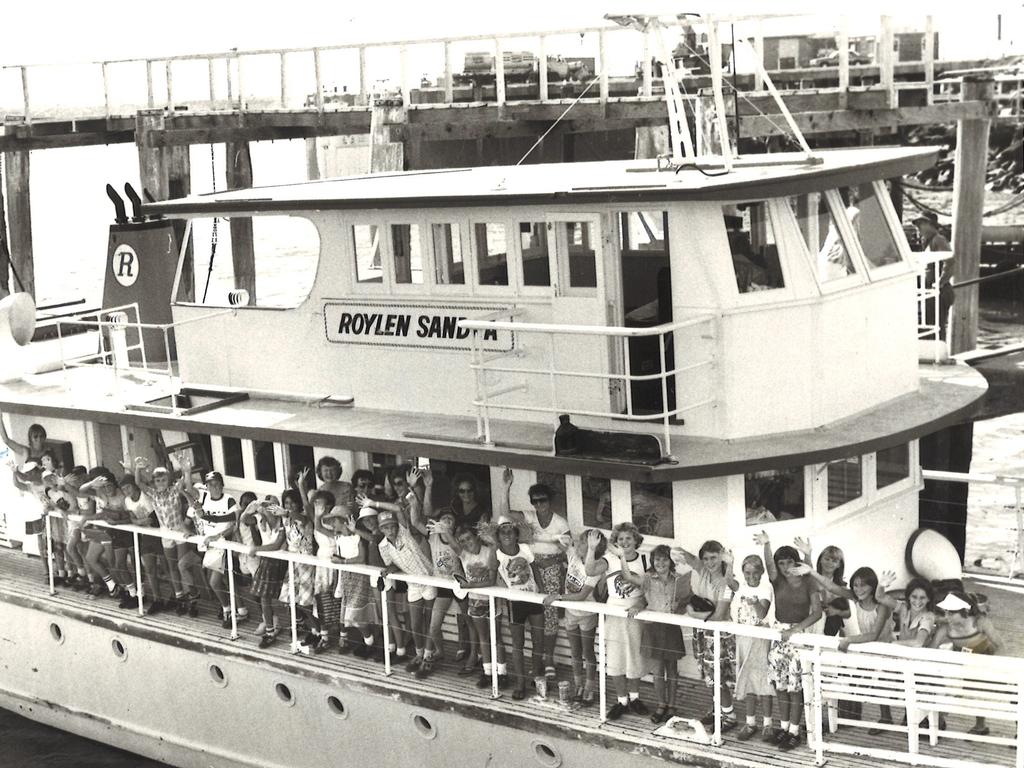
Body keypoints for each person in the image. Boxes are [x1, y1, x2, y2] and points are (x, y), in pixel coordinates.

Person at [804, 564, 892, 732]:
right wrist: (811, 571)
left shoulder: (881, 604)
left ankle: (889, 718)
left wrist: (848, 640)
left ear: (873, 585)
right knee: (867, 682)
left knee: (884, 684)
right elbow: (832, 587)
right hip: (868, 648)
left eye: (864, 585)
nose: (859, 589)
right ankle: (869, 717)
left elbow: (874, 634)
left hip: (885, 648)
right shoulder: (856, 598)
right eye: (856, 585)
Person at [756, 531, 822, 751]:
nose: (785, 567)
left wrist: (797, 629)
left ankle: (795, 730)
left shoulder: (808, 582)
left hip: (798, 635)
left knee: (796, 688)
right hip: (779, 636)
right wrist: (767, 544)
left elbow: (817, 612)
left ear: (797, 562)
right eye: (781, 563)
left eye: (789, 562)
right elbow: (768, 566)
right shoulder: (778, 581)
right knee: (781, 686)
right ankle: (783, 728)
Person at [511, 470, 570, 682]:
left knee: (550, 614)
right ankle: (536, 659)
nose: (539, 505)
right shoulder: (529, 518)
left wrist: (551, 561)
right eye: (535, 501)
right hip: (530, 570)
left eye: (542, 500)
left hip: (552, 569)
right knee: (533, 612)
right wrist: (507, 487)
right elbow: (505, 515)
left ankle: (549, 659)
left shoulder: (560, 522)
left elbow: (568, 549)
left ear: (550, 501)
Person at [674, 540, 737, 732]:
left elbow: (720, 615)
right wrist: (678, 552)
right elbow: (690, 558)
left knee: (719, 677)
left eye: (714, 558)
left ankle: (730, 715)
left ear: (722, 557)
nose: (710, 562)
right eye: (706, 558)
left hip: (719, 634)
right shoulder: (703, 572)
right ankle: (718, 709)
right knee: (709, 677)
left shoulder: (727, 581)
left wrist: (692, 613)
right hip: (702, 632)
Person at [588, 523, 647, 720]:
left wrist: (640, 604)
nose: (624, 542)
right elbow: (590, 570)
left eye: (628, 538)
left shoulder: (645, 560)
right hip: (614, 611)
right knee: (615, 658)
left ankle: (635, 698)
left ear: (635, 540)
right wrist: (591, 548)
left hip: (635, 613)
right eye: (620, 539)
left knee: (634, 656)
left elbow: (649, 590)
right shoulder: (610, 559)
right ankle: (622, 700)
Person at [629, 544, 690, 724]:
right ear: (652, 561)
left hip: (671, 627)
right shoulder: (647, 578)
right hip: (653, 628)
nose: (661, 563)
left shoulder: (678, 579)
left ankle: (671, 706)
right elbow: (642, 598)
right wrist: (637, 607)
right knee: (657, 671)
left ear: (671, 561)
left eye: (664, 559)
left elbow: (686, 601)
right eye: (657, 559)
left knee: (671, 670)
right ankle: (661, 704)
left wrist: (681, 606)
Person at [930, 590, 1003, 736]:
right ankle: (940, 718)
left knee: (987, 686)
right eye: (946, 612)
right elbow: (931, 649)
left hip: (985, 659)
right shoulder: (946, 628)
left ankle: (987, 725)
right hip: (963, 664)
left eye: (951, 613)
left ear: (964, 611)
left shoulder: (980, 622)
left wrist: (994, 667)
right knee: (951, 684)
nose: (947, 616)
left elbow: (1000, 646)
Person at [543, 529, 604, 706]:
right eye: (580, 541)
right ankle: (578, 686)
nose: (578, 544)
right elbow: (558, 545)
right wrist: (561, 539)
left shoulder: (596, 568)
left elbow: (582, 595)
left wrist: (558, 597)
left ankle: (589, 688)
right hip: (571, 613)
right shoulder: (574, 556)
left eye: (583, 542)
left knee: (588, 652)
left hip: (586, 614)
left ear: (593, 548)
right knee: (575, 652)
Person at [133, 457, 198, 616]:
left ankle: (193, 598)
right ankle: (180, 597)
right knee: (172, 567)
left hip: (179, 531)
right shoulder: (153, 494)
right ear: (154, 482)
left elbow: (184, 481)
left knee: (183, 565)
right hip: (165, 533)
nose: (160, 482)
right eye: (157, 480)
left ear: (168, 480)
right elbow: (139, 483)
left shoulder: (174, 490)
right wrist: (137, 469)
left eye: (163, 479)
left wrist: (186, 470)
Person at [377, 507, 437, 677]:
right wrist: (389, 569)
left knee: (429, 620)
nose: (391, 530)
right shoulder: (383, 546)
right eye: (386, 527)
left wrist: (374, 502)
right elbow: (393, 564)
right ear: (381, 529)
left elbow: (397, 509)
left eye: (393, 526)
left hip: (428, 578)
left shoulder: (404, 534)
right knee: (416, 623)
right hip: (413, 583)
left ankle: (428, 656)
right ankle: (419, 654)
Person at [184, 471, 246, 629]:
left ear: (222, 485)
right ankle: (240, 609)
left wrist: (217, 536)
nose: (215, 487)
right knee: (225, 580)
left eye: (218, 483)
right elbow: (190, 493)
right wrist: (187, 471)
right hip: (210, 546)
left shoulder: (229, 500)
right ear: (207, 486)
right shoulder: (204, 498)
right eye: (211, 484)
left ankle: (228, 609)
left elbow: (233, 524)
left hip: (224, 544)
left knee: (215, 582)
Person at [493, 514, 544, 700]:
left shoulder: (524, 548)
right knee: (517, 644)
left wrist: (542, 592)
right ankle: (521, 683)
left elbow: (535, 569)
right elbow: (493, 575)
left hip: (534, 597)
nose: (506, 535)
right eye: (503, 532)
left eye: (510, 531)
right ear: (498, 536)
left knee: (539, 640)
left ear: (516, 535)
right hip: (515, 601)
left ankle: (537, 676)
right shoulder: (497, 553)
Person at [453, 523, 508, 689]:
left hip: (491, 599)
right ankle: (487, 672)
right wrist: (444, 531)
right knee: (483, 638)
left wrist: (469, 586)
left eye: (469, 538)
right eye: (462, 541)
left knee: (496, 638)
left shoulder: (488, 551)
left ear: (476, 537)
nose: (466, 543)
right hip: (475, 601)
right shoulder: (464, 555)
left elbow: (491, 580)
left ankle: (502, 673)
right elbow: (452, 544)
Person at [731, 554, 775, 741]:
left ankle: (767, 724)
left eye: (755, 573)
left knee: (763, 683)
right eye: (747, 573)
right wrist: (730, 561)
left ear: (762, 572)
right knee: (747, 680)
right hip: (742, 639)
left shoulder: (766, 588)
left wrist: (756, 603)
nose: (751, 577)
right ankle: (750, 723)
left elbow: (763, 612)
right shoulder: (741, 586)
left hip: (760, 640)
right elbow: (727, 581)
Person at [326, 504, 378, 659]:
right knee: (351, 615)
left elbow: (361, 558)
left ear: (343, 521)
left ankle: (371, 643)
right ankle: (368, 642)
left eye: (335, 521)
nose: (333, 525)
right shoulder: (340, 538)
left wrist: (342, 562)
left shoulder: (358, 537)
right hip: (347, 578)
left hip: (359, 578)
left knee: (356, 615)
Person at [277, 487, 321, 652]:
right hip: (293, 563)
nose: (289, 506)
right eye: (286, 503)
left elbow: (300, 519)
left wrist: (286, 513)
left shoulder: (302, 518)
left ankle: (320, 633)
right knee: (296, 602)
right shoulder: (285, 520)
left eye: (292, 503)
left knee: (308, 602)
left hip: (306, 562)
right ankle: (314, 630)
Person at [241, 496, 287, 648]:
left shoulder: (282, 523)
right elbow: (244, 519)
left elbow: (277, 544)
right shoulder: (260, 519)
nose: (268, 508)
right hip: (266, 561)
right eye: (267, 505)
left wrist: (257, 549)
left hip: (278, 561)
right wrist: (252, 507)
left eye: (272, 505)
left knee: (286, 598)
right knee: (263, 597)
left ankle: (297, 624)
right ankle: (270, 631)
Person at [118, 474, 166, 614]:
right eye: (123, 489)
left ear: (134, 485)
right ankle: (158, 600)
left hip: (159, 533)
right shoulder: (127, 501)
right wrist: (139, 522)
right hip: (146, 536)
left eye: (128, 487)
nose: (126, 491)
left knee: (167, 568)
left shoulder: (145, 496)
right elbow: (132, 518)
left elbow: (152, 519)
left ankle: (178, 598)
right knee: (150, 569)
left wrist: (139, 522)